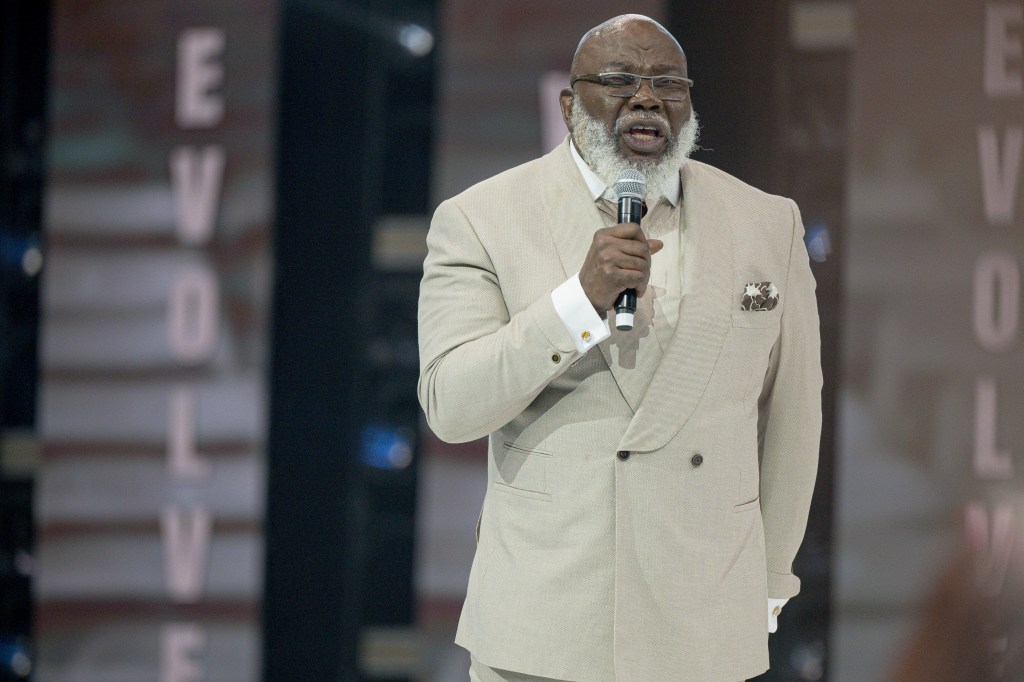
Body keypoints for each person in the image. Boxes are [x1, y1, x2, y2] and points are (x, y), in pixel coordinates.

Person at [418, 14, 822, 681]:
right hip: (544, 626)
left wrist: (773, 575)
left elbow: (792, 418)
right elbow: (452, 405)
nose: (646, 98)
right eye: (620, 80)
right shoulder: (480, 220)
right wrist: (578, 302)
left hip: (704, 619)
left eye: (668, 82)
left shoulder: (767, 223)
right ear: (570, 104)